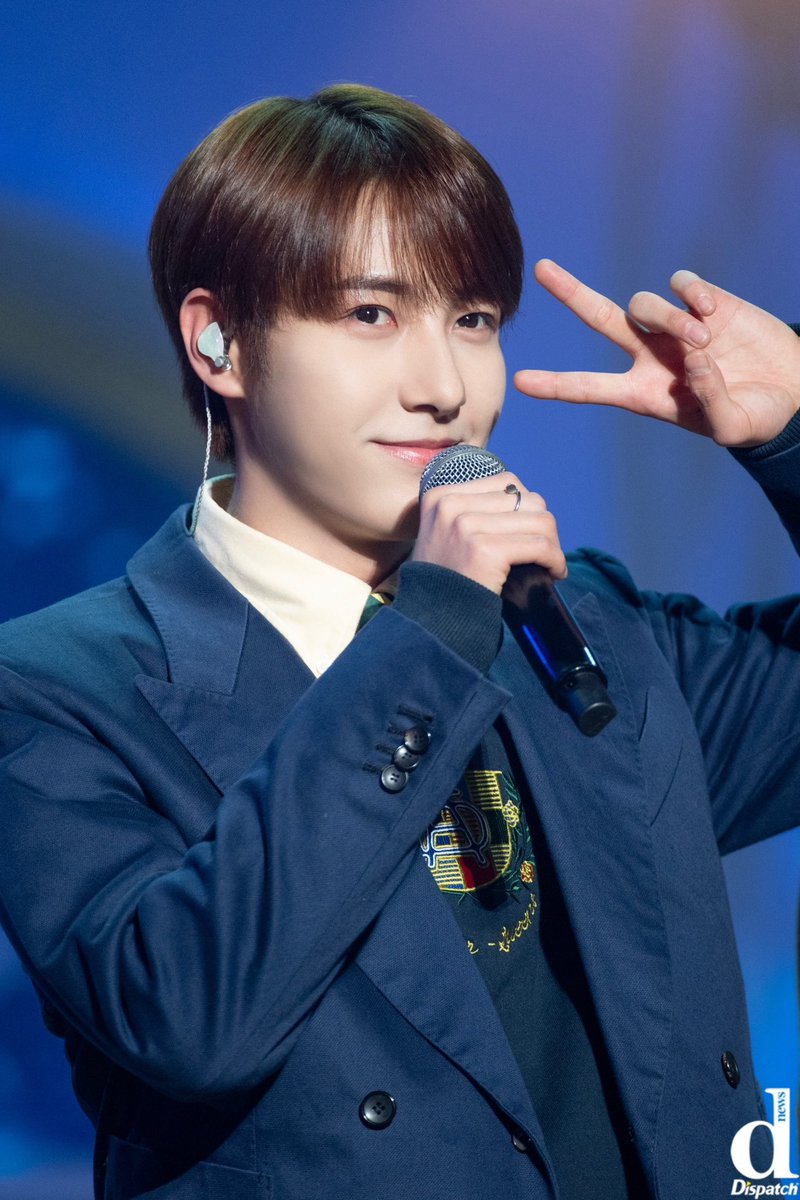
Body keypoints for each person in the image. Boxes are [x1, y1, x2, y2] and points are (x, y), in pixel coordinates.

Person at [0, 83, 798, 1200]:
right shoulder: (57, 691)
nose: (443, 388)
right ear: (219, 342)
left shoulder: (586, 634)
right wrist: (432, 629)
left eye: (471, 319)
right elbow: (189, 1019)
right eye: (371, 315)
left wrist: (792, 438)